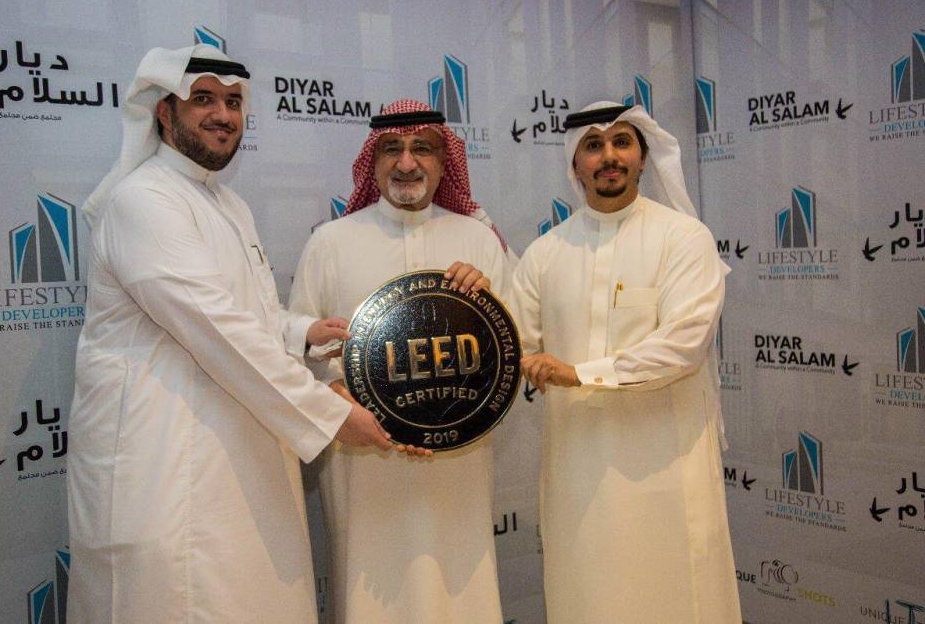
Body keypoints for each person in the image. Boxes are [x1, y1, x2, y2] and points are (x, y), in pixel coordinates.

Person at [67, 44, 391, 623]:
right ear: (164, 111)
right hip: (165, 462)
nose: (223, 114)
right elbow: (218, 328)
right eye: (203, 99)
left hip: (239, 455)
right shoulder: (143, 200)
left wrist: (302, 333)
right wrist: (333, 413)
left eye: (234, 102)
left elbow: (251, 313)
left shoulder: (229, 204)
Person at [512, 101, 741, 622]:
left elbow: (685, 343)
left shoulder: (683, 238)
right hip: (578, 475)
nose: (609, 156)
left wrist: (578, 373)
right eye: (593, 145)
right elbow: (510, 344)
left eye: (622, 142)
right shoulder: (545, 254)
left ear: (643, 156)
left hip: (667, 469)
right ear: (575, 164)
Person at [289, 99, 511, 623]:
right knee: (371, 593)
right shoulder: (330, 242)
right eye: (392, 148)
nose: (407, 163)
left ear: (444, 161)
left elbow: (508, 350)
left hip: (458, 463)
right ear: (372, 161)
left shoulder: (477, 240)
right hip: (365, 461)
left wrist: (486, 304)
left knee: (461, 589)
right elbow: (298, 348)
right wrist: (337, 399)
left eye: (422, 149)